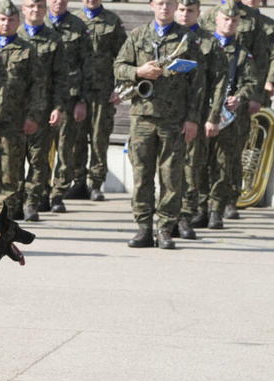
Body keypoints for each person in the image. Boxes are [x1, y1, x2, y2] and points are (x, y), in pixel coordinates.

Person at [113, 0, 203, 250]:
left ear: (176, 7)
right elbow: (118, 67)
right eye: (160, 3)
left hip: (173, 119)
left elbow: (197, 83)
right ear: (152, 5)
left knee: (171, 176)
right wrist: (139, 72)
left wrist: (192, 118)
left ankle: (164, 228)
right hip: (142, 116)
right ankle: (143, 227)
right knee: (142, 175)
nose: (165, 8)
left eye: (170, 3)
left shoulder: (186, 38)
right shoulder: (138, 35)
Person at [0, 0, 45, 220]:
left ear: (19, 22)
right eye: (2, 19)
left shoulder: (27, 49)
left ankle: (5, 213)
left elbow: (38, 85)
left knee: (10, 170)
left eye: (11, 20)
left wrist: (33, 115)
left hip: (14, 120)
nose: (6, 24)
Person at [199, 0, 267, 220]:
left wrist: (239, 97)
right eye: (226, 19)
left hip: (227, 116)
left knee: (223, 162)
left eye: (234, 21)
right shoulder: (203, 47)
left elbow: (251, 82)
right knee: (199, 160)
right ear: (216, 19)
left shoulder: (241, 54)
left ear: (238, 23)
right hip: (201, 112)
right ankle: (200, 207)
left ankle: (217, 210)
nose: (229, 24)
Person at [175, 0, 227, 235]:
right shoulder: (167, 37)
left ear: (198, 13)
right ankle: (168, 214)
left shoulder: (209, 42)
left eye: (190, 11)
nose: (185, 14)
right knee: (167, 167)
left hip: (197, 113)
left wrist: (213, 116)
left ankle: (186, 215)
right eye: (182, 10)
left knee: (191, 167)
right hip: (168, 113)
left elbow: (219, 83)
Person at [71, 0, 127, 202]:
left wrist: (120, 87)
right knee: (76, 138)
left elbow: (124, 56)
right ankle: (77, 181)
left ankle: (95, 184)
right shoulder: (74, 20)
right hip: (77, 91)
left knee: (99, 139)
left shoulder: (112, 21)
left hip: (103, 92)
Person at [18, 0, 67, 221]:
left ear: (45, 11)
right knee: (13, 159)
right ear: (24, 9)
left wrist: (58, 107)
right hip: (14, 110)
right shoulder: (14, 36)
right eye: (31, 6)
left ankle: (31, 202)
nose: (35, 11)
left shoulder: (54, 40)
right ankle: (14, 201)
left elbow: (60, 78)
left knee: (39, 160)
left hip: (43, 109)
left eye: (40, 7)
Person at [45, 0, 90, 213]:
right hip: (42, 99)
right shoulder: (39, 23)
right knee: (41, 149)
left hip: (70, 97)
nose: (58, 2)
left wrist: (83, 100)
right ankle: (41, 191)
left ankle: (58, 193)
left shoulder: (78, 26)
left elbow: (87, 64)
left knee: (65, 147)